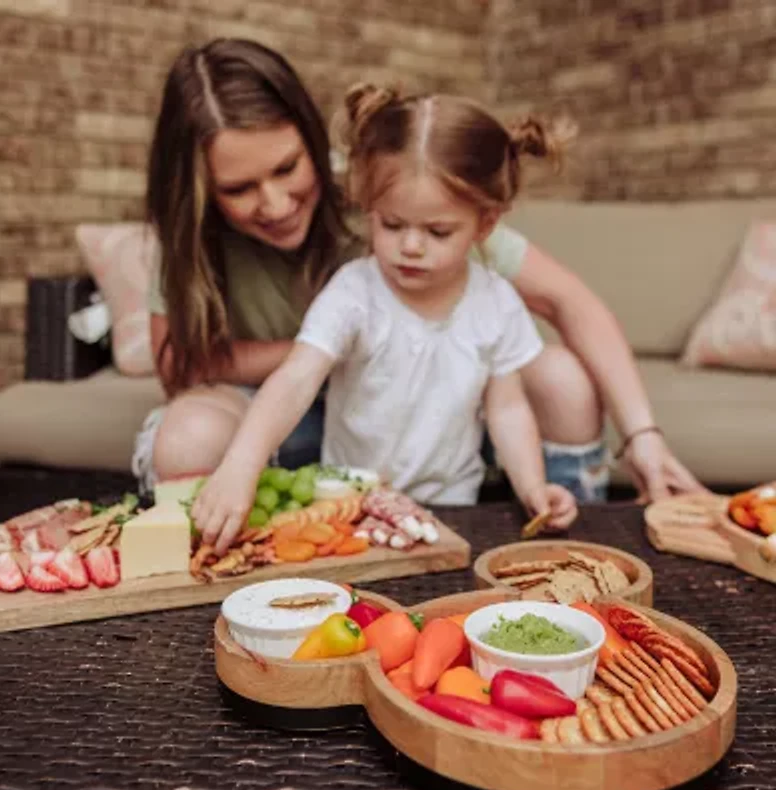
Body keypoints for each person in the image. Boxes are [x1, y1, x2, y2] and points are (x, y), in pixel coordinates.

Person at [135, 38, 704, 516]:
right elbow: (202, 371)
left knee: (559, 375)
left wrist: (642, 435)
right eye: (239, 189)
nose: (277, 202)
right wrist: (341, 347)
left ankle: (572, 523)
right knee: (190, 434)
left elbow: (567, 305)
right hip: (301, 425)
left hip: (425, 426)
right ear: (203, 189)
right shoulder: (357, 259)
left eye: (288, 168)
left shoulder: (403, 189)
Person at [193, 84, 580, 551]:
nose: (410, 246)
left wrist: (532, 487)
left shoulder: (496, 301)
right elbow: (296, 377)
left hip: (454, 510)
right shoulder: (356, 291)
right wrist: (241, 464)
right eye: (391, 225)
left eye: (437, 231)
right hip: (349, 505)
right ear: (368, 208)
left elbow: (508, 408)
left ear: (486, 223)